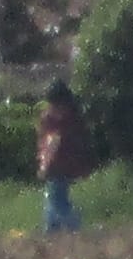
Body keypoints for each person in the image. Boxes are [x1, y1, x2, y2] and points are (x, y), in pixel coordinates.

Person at [37, 79, 93, 233]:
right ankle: (50, 231)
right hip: (69, 165)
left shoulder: (53, 119)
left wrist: (44, 166)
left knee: (57, 201)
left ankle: (75, 227)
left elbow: (52, 143)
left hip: (58, 166)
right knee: (52, 199)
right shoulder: (74, 117)